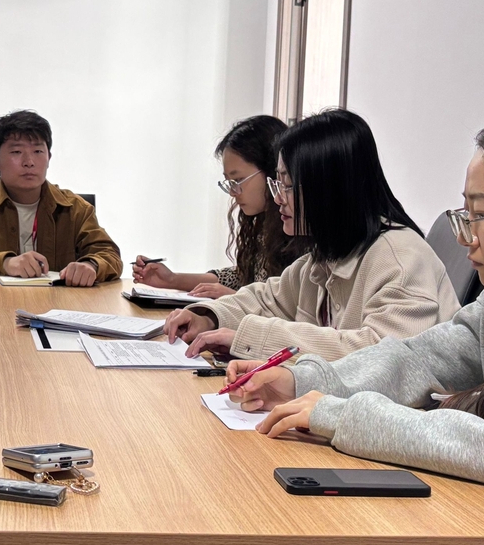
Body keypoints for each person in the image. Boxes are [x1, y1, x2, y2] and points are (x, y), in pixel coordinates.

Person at [226, 105, 484, 493]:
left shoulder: (397, 255)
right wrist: (301, 380)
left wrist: (345, 415)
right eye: (466, 213)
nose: (464, 236)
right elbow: (419, 358)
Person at [164, 109, 460, 362]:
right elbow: (268, 299)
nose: (278, 199)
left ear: (329, 190)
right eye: (277, 184)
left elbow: (380, 357)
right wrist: (208, 317)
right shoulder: (327, 255)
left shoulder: (400, 259)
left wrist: (250, 338)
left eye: (288, 186)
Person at [0, 110, 122, 285]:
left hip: (58, 304)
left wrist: (91, 265)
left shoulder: (74, 207)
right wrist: (5, 263)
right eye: (16, 152)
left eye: (38, 151)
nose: (29, 162)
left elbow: (109, 255)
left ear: (49, 157)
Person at [132, 115, 299, 298]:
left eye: (238, 180)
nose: (233, 192)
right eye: (229, 182)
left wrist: (233, 299)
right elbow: (244, 276)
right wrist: (172, 279)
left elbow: (283, 306)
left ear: (272, 171)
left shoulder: (297, 231)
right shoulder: (265, 222)